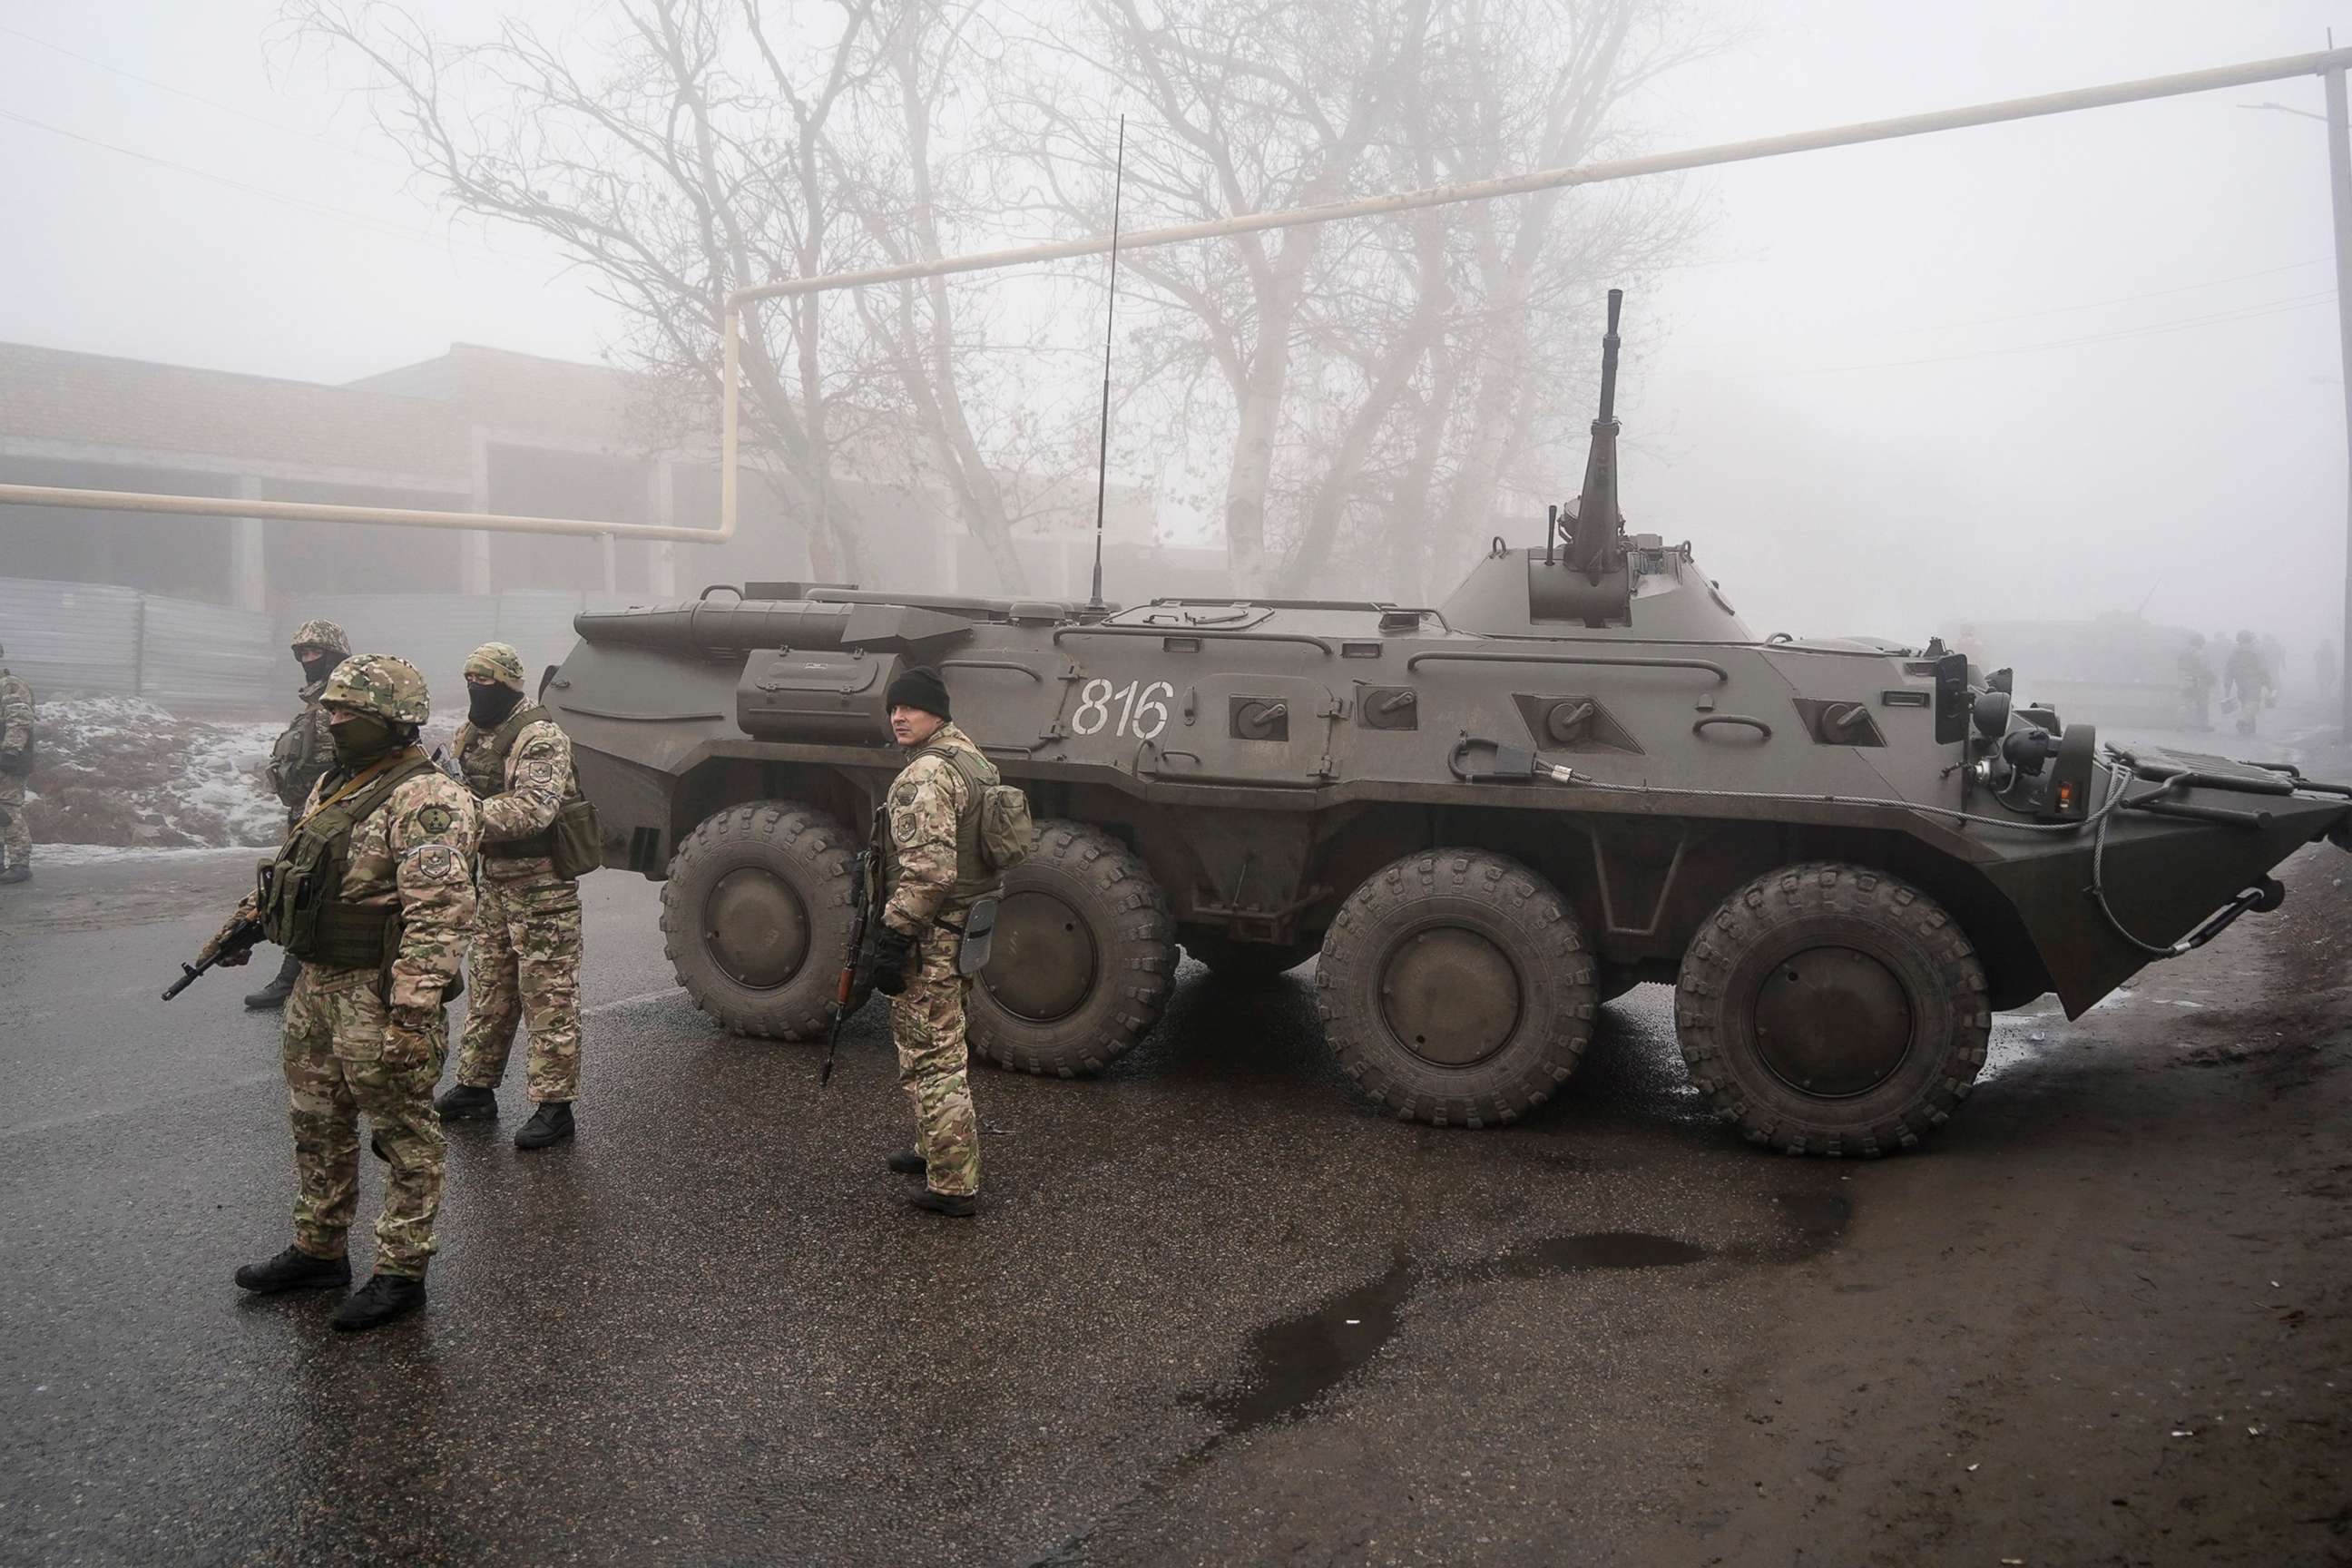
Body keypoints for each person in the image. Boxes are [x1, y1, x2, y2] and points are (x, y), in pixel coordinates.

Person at [199, 654, 477, 1332]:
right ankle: (319, 1249)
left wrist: (412, 1015)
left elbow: (439, 916)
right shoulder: (334, 784)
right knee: (317, 1124)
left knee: (404, 1135)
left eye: (346, 712)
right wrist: (247, 925)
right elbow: (296, 873)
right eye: (329, 709)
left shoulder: (429, 799)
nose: (331, 721)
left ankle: (400, 1271)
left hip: (378, 993)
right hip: (318, 986)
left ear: (392, 721)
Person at [435, 642, 588, 1151]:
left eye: (486, 682)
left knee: (548, 997)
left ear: (508, 683)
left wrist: (460, 814)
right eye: (470, 681)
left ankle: (554, 1106)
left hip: (541, 884)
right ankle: (476, 1087)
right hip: (494, 882)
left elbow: (533, 810)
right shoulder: (470, 734)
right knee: (490, 991)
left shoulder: (540, 736)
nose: (476, 691)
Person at [870, 665, 997, 1218]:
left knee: (933, 1056)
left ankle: (953, 1185)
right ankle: (932, 1148)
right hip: (968, 926)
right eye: (894, 708)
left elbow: (929, 873)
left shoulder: (925, 775)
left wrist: (893, 934)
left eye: (911, 708)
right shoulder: (972, 760)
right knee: (939, 1040)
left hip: (933, 936)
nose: (899, 716)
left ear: (936, 712)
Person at [246, 620, 353, 1008]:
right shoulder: (314, 701)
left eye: (316, 653)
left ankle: (294, 975)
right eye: (303, 654)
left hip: (334, 813)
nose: (309, 660)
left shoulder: (348, 696)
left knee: (309, 891)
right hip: (308, 812)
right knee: (305, 890)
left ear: (334, 654)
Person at [0, 641, 33, 886]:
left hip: (8, 761)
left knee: (8, 810)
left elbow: (20, 718)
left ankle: (20, 863)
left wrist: (10, 752)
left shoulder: (10, 686)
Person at [2223, 630, 2271, 738]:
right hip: (2253, 681)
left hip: (2240, 682)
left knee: (2245, 703)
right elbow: (2263, 669)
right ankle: (2243, 721)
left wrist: (2227, 687)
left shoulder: (2235, 653)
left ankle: (2250, 727)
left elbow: (2229, 670)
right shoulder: (2256, 651)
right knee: (2253, 702)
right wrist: (2269, 685)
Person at [2175, 632, 2214, 732]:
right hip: (2199, 681)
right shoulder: (2201, 653)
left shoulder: (2183, 652)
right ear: (2201, 643)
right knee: (2202, 704)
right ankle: (2203, 725)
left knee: (2185, 703)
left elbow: (2179, 666)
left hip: (2185, 680)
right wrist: (2211, 677)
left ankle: (2180, 723)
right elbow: (2205, 668)